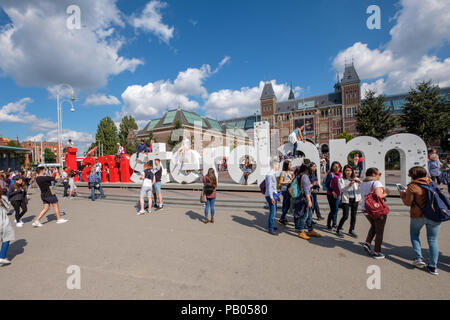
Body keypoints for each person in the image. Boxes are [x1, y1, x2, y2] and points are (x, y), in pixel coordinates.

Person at [399, 166, 442, 275]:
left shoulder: (413, 186)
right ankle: (433, 267)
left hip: (418, 215)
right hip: (434, 215)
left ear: (413, 175)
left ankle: (419, 258)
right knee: (433, 240)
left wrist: (403, 193)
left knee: (414, 235)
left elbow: (408, 202)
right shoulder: (432, 183)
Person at [360, 167, 389, 259]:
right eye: (379, 174)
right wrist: (386, 193)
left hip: (366, 209)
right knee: (380, 231)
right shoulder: (376, 182)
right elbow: (379, 196)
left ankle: (368, 243)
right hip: (376, 210)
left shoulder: (363, 183)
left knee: (374, 226)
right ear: (373, 174)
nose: (380, 176)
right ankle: (377, 252)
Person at [292, 163, 322, 239]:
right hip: (305, 198)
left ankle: (310, 230)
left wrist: (311, 186)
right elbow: (305, 190)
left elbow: (306, 187)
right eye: (311, 167)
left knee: (310, 215)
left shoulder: (301, 175)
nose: (312, 169)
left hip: (304, 197)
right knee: (305, 215)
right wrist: (309, 200)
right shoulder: (305, 176)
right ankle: (301, 231)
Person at [337, 165, 361, 238]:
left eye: (350, 170)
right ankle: (339, 229)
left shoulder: (355, 178)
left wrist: (360, 182)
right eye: (347, 170)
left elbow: (362, 186)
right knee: (345, 216)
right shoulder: (341, 179)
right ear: (344, 171)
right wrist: (349, 185)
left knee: (353, 216)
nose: (348, 172)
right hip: (346, 199)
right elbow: (342, 190)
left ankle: (351, 230)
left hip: (355, 199)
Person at [326, 161, 342, 230]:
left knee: (336, 209)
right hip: (330, 194)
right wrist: (332, 192)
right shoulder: (331, 174)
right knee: (333, 210)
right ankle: (329, 224)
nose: (337, 168)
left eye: (338, 166)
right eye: (335, 166)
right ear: (332, 167)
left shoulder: (341, 174)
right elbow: (327, 184)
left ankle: (334, 224)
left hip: (338, 195)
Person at [265, 159, 280, 235]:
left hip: (273, 195)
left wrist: (277, 195)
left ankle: (271, 226)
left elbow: (274, 187)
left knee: (273, 212)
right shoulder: (270, 174)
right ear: (274, 165)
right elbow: (270, 187)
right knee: (273, 213)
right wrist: (271, 198)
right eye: (278, 164)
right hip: (270, 195)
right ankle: (270, 229)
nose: (279, 166)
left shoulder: (272, 173)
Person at [0, 189, 15, 265]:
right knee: (7, 237)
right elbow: (7, 209)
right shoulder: (3, 197)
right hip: (3, 221)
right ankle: (2, 257)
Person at [279, 160, 293, 225]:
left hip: (288, 189)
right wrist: (288, 182)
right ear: (286, 165)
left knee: (285, 204)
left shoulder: (289, 172)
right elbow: (281, 182)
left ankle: (283, 217)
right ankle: (282, 218)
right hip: (285, 190)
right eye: (290, 164)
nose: (291, 166)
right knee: (287, 205)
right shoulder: (283, 172)